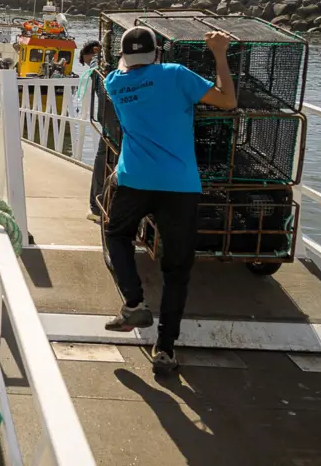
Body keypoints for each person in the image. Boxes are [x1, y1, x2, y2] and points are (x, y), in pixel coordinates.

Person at [102, 26, 236, 375]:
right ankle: (165, 348)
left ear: (124, 56)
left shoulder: (114, 83)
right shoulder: (176, 75)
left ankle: (134, 304)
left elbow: (128, 70)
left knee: (117, 235)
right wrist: (219, 53)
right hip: (180, 185)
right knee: (176, 269)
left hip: (135, 179)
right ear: (158, 53)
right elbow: (227, 101)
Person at [76, 40, 107, 222]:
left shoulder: (98, 66)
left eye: (88, 61)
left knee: (102, 162)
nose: (89, 66)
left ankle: (97, 208)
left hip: (112, 126)